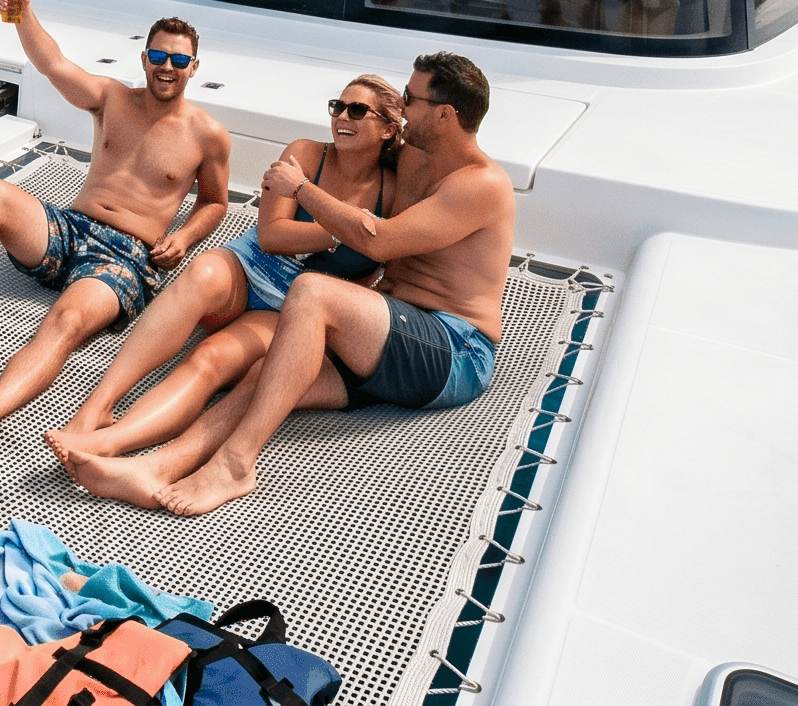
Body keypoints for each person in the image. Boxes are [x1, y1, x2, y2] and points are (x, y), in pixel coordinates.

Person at [57, 52, 513, 514]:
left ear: (444, 115)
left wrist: (301, 189)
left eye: (411, 99)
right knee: (271, 373)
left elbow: (380, 241)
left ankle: (236, 464)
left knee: (313, 291)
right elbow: (352, 167)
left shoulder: (481, 184)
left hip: (453, 347)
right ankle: (149, 464)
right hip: (387, 334)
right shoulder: (412, 157)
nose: (404, 105)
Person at [0, 0, 231, 464]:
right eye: (158, 56)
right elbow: (53, 64)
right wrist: (21, 13)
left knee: (67, 323)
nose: (167, 67)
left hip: (125, 258)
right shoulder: (112, 98)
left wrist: (185, 236)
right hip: (70, 228)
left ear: (194, 67)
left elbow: (215, 202)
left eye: (179, 60)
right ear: (144, 58)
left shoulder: (208, 134)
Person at [45, 76, 397, 470]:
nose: (342, 117)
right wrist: (347, 229)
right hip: (249, 266)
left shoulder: (393, 191)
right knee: (200, 273)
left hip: (294, 304)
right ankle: (97, 407)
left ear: (387, 129)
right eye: (338, 106)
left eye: (357, 110)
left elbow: (387, 259)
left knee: (210, 359)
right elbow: (272, 236)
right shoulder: (306, 154)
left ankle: (111, 443)